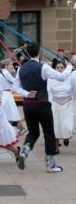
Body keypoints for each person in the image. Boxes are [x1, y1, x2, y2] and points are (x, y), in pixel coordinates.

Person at [13, 42, 73, 173]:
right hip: (42, 103)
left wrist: (27, 94)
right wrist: (69, 67)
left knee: (33, 132)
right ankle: (50, 164)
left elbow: (15, 86)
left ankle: (24, 150)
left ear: (27, 53)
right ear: (39, 52)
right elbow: (62, 77)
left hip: (27, 105)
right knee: (49, 133)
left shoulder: (21, 68)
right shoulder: (43, 67)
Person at [47, 61, 76, 154]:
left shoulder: (70, 78)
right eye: (57, 68)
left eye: (61, 68)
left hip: (68, 103)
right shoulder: (51, 79)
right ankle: (56, 147)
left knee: (67, 126)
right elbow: (48, 91)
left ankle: (66, 137)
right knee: (56, 126)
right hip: (55, 104)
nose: (59, 70)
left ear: (65, 69)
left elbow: (74, 90)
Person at [0, 59, 27, 135]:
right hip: (6, 96)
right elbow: (14, 82)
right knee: (7, 114)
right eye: (10, 64)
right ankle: (14, 130)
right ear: (6, 65)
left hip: (3, 94)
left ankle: (12, 130)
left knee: (6, 114)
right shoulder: (6, 73)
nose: (12, 66)